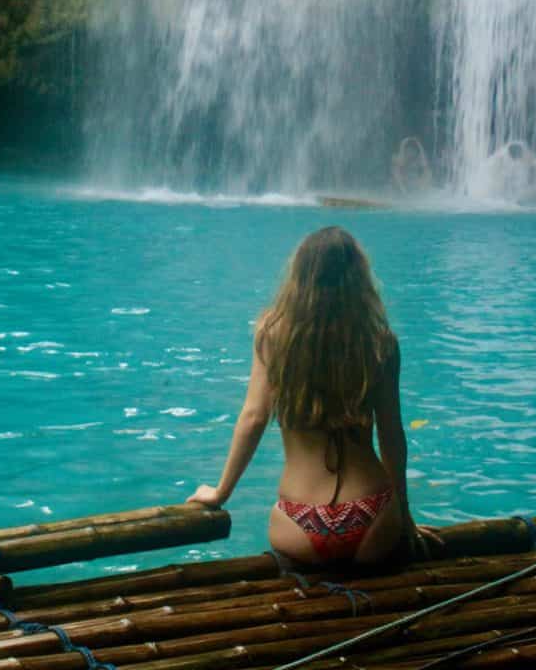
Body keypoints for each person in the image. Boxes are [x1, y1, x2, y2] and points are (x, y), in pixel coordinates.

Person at [186, 226, 438, 567]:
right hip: (372, 514)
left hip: (298, 520)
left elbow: (254, 417)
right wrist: (403, 516)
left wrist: (220, 492)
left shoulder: (273, 334)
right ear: (359, 279)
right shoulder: (379, 342)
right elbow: (391, 434)